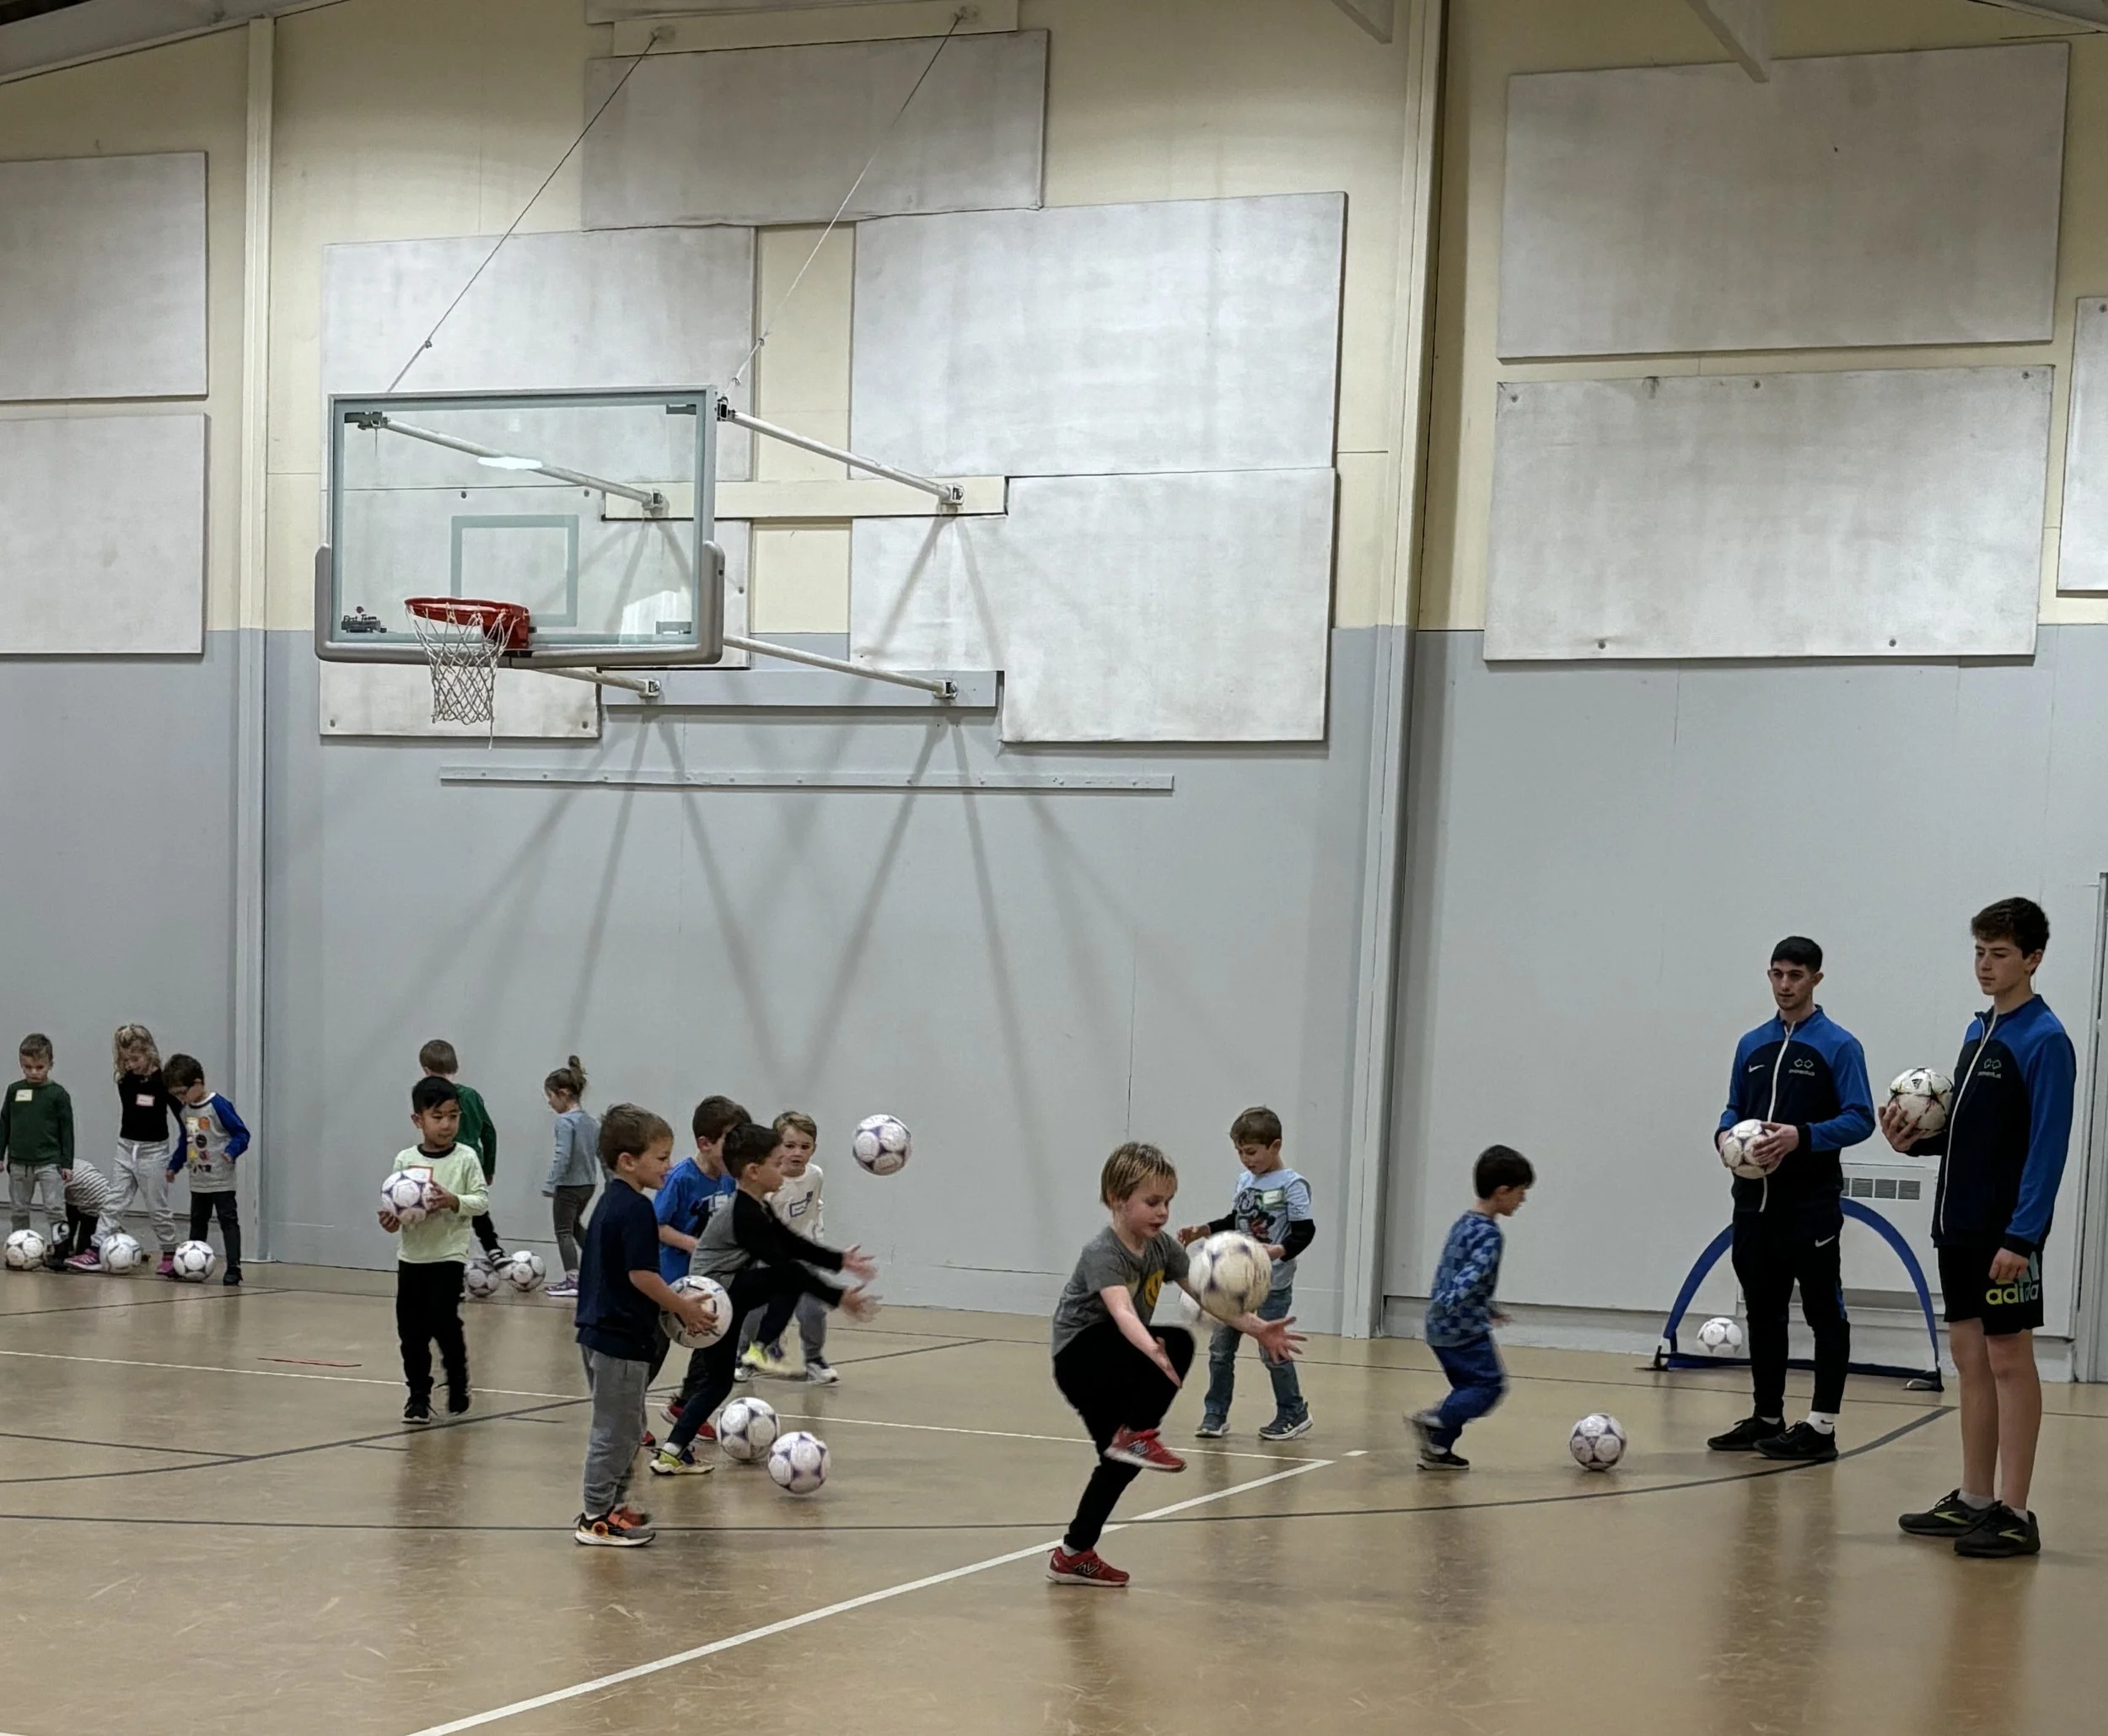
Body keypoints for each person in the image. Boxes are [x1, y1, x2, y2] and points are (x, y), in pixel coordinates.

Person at [1883, 897, 2073, 1559]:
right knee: (1970, 1360)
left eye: (1999, 953)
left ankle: (2016, 1511)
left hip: (2004, 1236)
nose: (1985, 965)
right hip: (1957, 1227)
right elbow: (1972, 1137)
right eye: (1979, 952)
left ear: (2033, 958)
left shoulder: (2044, 1040)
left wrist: (2023, 1237)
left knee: (2009, 1361)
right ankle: (1974, 1499)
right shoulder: (1978, 1035)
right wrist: (1913, 1144)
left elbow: (2046, 1148)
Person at [1046, 1142, 1304, 1588]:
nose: (1163, 1212)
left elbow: (1207, 1296)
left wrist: (1258, 1327)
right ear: (1116, 1200)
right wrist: (1148, 1346)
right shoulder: (1102, 1253)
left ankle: (1074, 1553)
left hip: (1121, 1356)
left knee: (1119, 1461)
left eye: (1167, 1202)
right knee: (1177, 1342)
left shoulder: (1162, 1248)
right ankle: (1139, 1434)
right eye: (1151, 1202)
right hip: (1081, 1356)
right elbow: (1122, 1311)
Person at [1706, 937, 1874, 1462]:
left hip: (1811, 1208)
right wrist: (1723, 1136)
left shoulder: (1839, 1046)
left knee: (1825, 1314)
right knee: (1764, 1312)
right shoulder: (1750, 1045)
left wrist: (1801, 1136)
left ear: (1816, 979)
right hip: (1752, 1207)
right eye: (1777, 974)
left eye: (1795, 975)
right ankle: (1767, 1416)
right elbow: (1734, 1108)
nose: (1784, 985)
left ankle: (1821, 1428)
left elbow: (1861, 1117)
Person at [649, 1122, 879, 1477]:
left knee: (719, 1382)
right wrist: (838, 1296)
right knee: (787, 1277)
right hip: (712, 1298)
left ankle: (672, 1451)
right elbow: (785, 1264)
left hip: (723, 1301)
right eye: (776, 1161)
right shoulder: (743, 1213)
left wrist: (839, 1260)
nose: (785, 1164)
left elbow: (791, 1243)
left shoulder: (755, 1206)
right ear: (754, 1172)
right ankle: (760, 1349)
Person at [573, 1103, 720, 1547]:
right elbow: (642, 1276)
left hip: (609, 1334)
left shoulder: (612, 1203)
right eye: (661, 1157)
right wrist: (683, 1308)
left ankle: (615, 1508)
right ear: (627, 1161)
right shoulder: (635, 1209)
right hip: (617, 1339)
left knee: (628, 1428)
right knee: (614, 1433)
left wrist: (673, 1304)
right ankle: (594, 1515)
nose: (668, 1166)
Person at [1179, 1104, 1316, 1441]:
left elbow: (1305, 1231)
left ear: (1276, 1146)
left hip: (1272, 1283)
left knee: (1271, 1347)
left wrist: (1277, 1251)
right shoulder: (1245, 1181)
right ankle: (1215, 1413)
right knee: (1220, 1350)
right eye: (1240, 1152)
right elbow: (1236, 1221)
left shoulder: (1292, 1185)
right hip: (1234, 1284)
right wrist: (1205, 1229)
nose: (1246, 1159)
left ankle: (1293, 1411)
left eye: (1252, 1152)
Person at [1407, 1145, 1534, 1470]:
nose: (1523, 1200)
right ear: (1502, 1191)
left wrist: (1487, 1306)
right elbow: (1469, 1275)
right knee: (1488, 1386)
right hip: (1463, 1329)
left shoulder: (1463, 1224)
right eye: (1520, 1192)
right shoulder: (1490, 1235)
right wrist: (1455, 1303)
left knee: (1465, 1388)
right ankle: (1437, 1419)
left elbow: (1453, 1269)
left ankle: (1436, 1450)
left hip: (1438, 1327)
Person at [379, 1076, 488, 1424]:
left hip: (448, 1254)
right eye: (438, 1117)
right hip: (412, 1257)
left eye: (453, 1116)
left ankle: (457, 1381)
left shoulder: (466, 1158)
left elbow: (481, 1202)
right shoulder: (405, 1160)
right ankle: (418, 1396)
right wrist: (393, 1220)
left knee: (443, 1321)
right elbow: (396, 1207)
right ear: (418, 1120)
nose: (446, 1124)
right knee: (410, 1332)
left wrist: (454, 1200)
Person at [653, 1095, 745, 1427]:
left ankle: (685, 1404)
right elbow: (657, 1226)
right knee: (654, 1350)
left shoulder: (729, 1178)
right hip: (670, 1279)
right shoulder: (681, 1178)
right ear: (705, 1143)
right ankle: (630, 1416)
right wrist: (694, 1244)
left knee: (711, 1341)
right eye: (729, 1143)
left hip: (710, 1281)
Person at [737, 1110, 840, 1385]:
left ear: (814, 1149)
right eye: (789, 1145)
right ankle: (745, 1355)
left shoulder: (815, 1175)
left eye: (805, 1147)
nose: (797, 1153)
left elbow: (814, 1208)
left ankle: (815, 1359)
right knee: (755, 1310)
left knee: (813, 1310)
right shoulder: (767, 1182)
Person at [163, 1053, 251, 1287]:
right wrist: (174, 1165)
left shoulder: (218, 1105)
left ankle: (234, 1267)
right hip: (198, 1179)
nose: (182, 1099)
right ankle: (191, 1264)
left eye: (183, 1092)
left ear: (198, 1083)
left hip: (221, 1179)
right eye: (176, 1095)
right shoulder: (185, 1111)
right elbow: (187, 1140)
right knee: (198, 1221)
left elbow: (242, 1133)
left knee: (228, 1221)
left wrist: (231, 1151)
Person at [420, 1040, 505, 1266]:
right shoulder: (472, 1095)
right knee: (474, 1205)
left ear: (426, 1071)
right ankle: (493, 1248)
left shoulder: (430, 1100)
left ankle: (451, 1267)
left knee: (449, 1213)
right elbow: (489, 1132)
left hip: (447, 1162)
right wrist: (488, 1168)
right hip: (475, 1160)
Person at [110, 1024, 181, 1275]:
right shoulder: (125, 1082)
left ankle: (170, 1250)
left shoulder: (162, 1083)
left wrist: (186, 1150)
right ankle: (97, 1245)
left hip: (154, 1151)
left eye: (136, 1059)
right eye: (125, 1059)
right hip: (126, 1147)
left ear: (149, 1053)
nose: (131, 1064)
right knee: (113, 1202)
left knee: (157, 1205)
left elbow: (181, 1115)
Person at [540, 1057, 600, 1300]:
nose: (549, 1102)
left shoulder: (565, 1122)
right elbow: (601, 1154)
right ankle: (597, 1268)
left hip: (569, 1185)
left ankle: (572, 1279)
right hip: (588, 1184)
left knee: (563, 1230)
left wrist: (551, 1182)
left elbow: (563, 1155)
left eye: (551, 1096)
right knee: (575, 1226)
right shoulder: (590, 1121)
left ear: (564, 1094)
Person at [3, 1034, 72, 1242]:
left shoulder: (58, 1094)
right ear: (21, 1064)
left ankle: (60, 1248)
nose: (33, 1072)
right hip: (19, 1163)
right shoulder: (14, 1091)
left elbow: (67, 1130)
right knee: (19, 1209)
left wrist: (66, 1162)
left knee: (55, 1208)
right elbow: (4, 1122)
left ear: (50, 1064)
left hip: (49, 1162)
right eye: (28, 1067)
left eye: (39, 1067)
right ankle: (18, 1245)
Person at [57, 1157, 120, 1270]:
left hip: (95, 1210)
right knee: (69, 1206)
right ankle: (68, 1247)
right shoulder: (73, 1161)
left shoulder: (57, 1172)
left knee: (82, 1255)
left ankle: (64, 1250)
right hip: (106, 1202)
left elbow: (55, 1207)